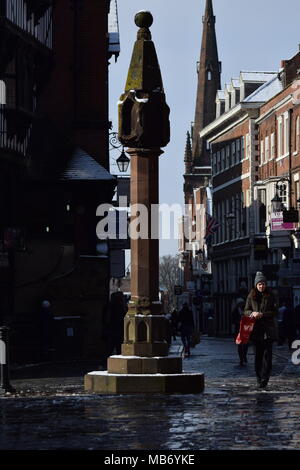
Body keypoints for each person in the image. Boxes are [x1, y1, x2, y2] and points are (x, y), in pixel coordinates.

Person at [244, 272, 278, 389]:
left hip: (268, 331)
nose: (261, 286)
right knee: (258, 356)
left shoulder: (271, 295)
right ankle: (259, 378)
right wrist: (252, 313)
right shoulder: (251, 295)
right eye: (259, 284)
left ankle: (265, 378)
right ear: (256, 285)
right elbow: (246, 310)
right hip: (256, 331)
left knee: (267, 357)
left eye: (263, 284)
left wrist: (263, 314)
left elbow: (274, 311)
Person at [107, 291, 127, 356]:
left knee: (110, 348)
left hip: (113, 330)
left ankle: (104, 362)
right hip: (117, 330)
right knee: (116, 348)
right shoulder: (119, 308)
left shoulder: (109, 307)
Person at [231, 298, 248, 366]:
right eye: (240, 303)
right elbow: (233, 320)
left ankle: (244, 355)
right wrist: (239, 322)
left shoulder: (246, 310)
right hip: (238, 330)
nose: (241, 304)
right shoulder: (235, 311)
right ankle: (241, 359)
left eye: (242, 303)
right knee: (240, 345)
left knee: (246, 344)